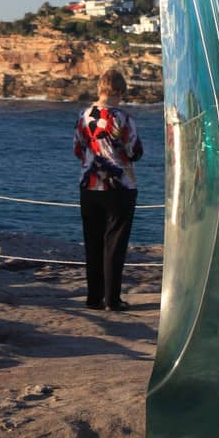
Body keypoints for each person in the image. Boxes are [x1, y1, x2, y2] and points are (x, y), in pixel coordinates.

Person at [74, 67, 143, 311]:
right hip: (119, 187)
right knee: (114, 244)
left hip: (89, 187)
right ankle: (112, 299)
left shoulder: (84, 115)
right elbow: (134, 151)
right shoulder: (123, 118)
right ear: (120, 91)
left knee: (92, 243)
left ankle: (94, 297)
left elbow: (78, 149)